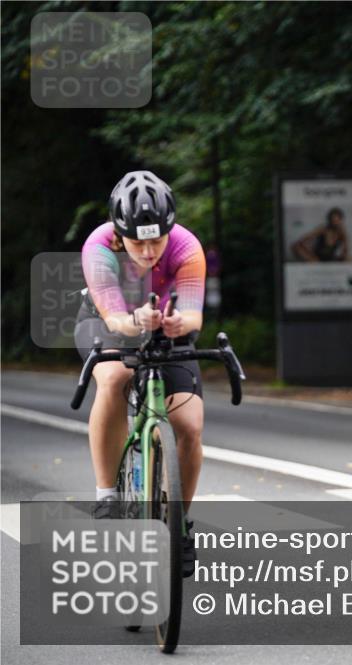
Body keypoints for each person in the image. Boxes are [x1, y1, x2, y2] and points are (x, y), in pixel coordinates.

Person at [76, 170, 206, 577]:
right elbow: (115, 319)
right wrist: (135, 320)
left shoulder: (186, 246)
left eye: (157, 240)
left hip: (165, 324)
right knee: (114, 378)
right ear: (119, 233)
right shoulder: (99, 246)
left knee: (188, 425)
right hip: (109, 321)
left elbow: (192, 313)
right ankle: (107, 496)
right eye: (138, 241)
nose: (149, 250)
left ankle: (180, 525)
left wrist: (176, 324)